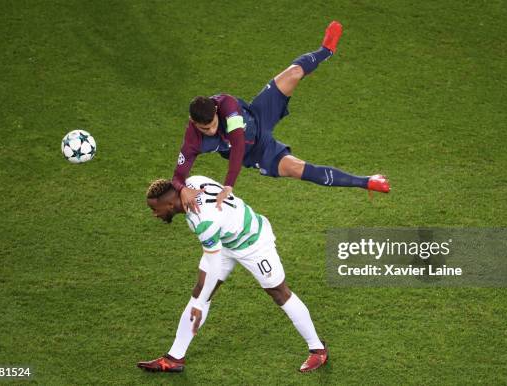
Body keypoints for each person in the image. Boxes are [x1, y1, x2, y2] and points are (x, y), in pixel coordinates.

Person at [172, 21, 391, 212]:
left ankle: (326, 50)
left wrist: (228, 184)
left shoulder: (227, 105)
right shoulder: (193, 140)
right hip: (257, 151)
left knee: (294, 73)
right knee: (297, 168)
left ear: (216, 110)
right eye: (204, 129)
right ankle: (367, 182)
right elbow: (178, 175)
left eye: (212, 125)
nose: (210, 131)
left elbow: (237, 143)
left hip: (259, 114)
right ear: (193, 123)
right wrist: (182, 190)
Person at [137, 176, 329, 373]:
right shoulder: (194, 181)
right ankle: (175, 357)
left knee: (279, 292)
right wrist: (200, 300)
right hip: (225, 240)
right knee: (200, 291)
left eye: (155, 209)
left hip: (254, 243)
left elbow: (213, 266)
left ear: (169, 204)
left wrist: (201, 305)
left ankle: (318, 350)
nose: (154, 214)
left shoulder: (201, 220)